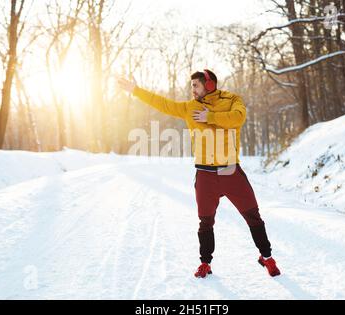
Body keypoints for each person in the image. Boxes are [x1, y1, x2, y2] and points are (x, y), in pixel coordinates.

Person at [117, 70, 281, 278]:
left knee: (253, 215)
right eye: (191, 85)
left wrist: (210, 117)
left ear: (209, 85)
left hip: (230, 171)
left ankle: (266, 257)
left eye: (195, 85)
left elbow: (238, 118)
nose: (192, 89)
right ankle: (205, 263)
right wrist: (136, 91)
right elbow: (164, 104)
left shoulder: (231, 100)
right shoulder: (189, 107)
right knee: (205, 221)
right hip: (205, 174)